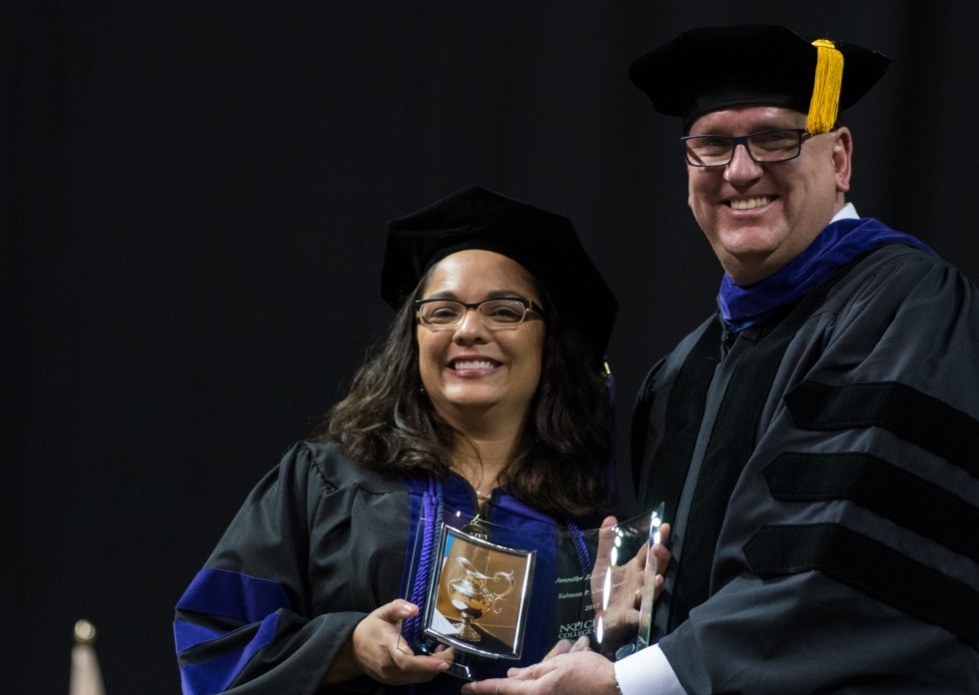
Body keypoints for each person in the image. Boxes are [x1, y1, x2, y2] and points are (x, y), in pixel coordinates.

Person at [465, 23, 979, 695]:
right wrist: (612, 626)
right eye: (710, 145)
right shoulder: (684, 370)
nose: (739, 171)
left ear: (839, 158)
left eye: (774, 138)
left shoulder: (914, 313)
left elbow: (854, 572)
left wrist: (632, 682)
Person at [172, 185, 643, 694]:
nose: (468, 329)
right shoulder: (325, 487)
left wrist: (610, 643)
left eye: (504, 311)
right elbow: (212, 643)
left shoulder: (585, 531)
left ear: (549, 341)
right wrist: (347, 647)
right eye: (442, 311)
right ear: (412, 338)